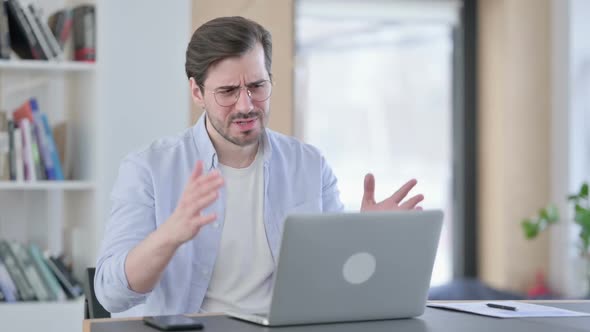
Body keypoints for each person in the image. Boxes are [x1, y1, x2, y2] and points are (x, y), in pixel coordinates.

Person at [94, 16, 424, 317]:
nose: (246, 105)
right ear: (197, 91)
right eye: (227, 91)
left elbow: (333, 280)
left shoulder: (309, 165)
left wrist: (367, 238)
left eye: (257, 86)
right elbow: (110, 295)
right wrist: (170, 234)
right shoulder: (148, 168)